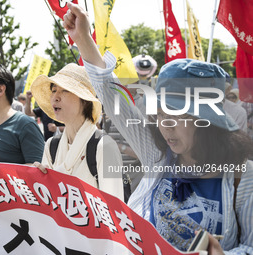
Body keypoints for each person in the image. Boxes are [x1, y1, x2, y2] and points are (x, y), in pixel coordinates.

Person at [63, 2, 253, 253]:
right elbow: (112, 97)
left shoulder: (242, 177)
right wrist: (84, 39)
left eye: (177, 116)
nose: (166, 126)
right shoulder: (159, 154)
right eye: (161, 114)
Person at [31, 63, 124, 201]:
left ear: (85, 100)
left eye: (65, 90)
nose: (55, 97)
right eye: (54, 90)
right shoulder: (51, 146)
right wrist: (38, 182)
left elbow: (115, 210)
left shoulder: (104, 146)